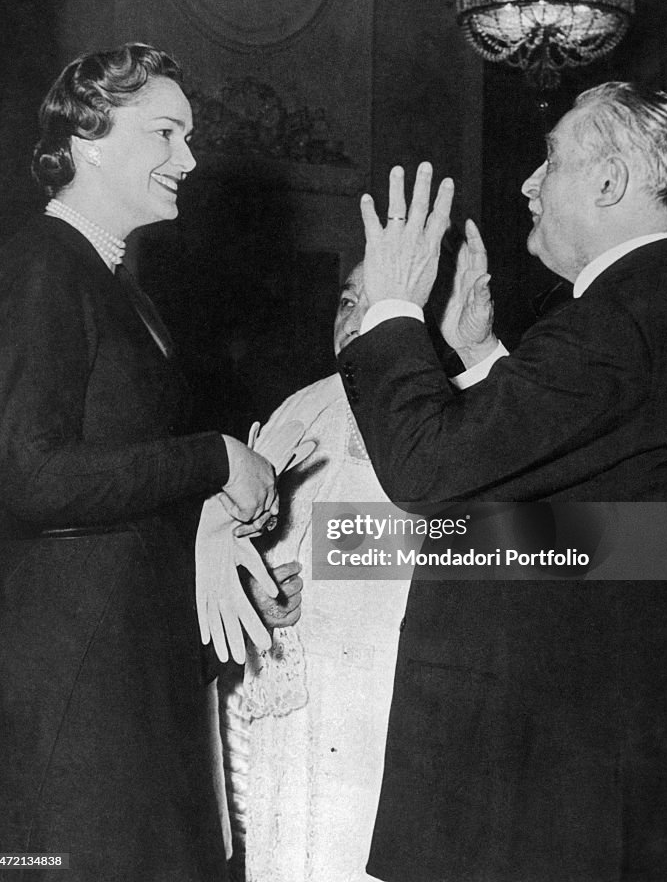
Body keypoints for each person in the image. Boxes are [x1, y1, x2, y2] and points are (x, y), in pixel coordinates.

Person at [337, 83, 667, 880]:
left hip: (552, 768)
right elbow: (600, 511)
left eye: (550, 159)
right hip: (604, 749)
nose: (527, 185)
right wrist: (481, 359)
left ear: (610, 183)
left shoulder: (617, 320)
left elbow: (424, 470)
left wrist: (392, 308)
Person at [0, 43, 281, 882]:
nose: (188, 159)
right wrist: (213, 459)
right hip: (75, 681)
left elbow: (116, 468)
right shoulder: (44, 266)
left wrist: (217, 525)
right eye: (166, 133)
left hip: (127, 667)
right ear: (87, 138)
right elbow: (26, 474)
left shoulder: (116, 284)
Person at [218, 263, 413, 882]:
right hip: (292, 714)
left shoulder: (452, 404)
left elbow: (541, 547)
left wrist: (343, 547)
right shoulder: (301, 407)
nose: (353, 325)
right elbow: (232, 548)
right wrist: (250, 585)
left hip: (387, 711)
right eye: (346, 302)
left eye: (375, 305)